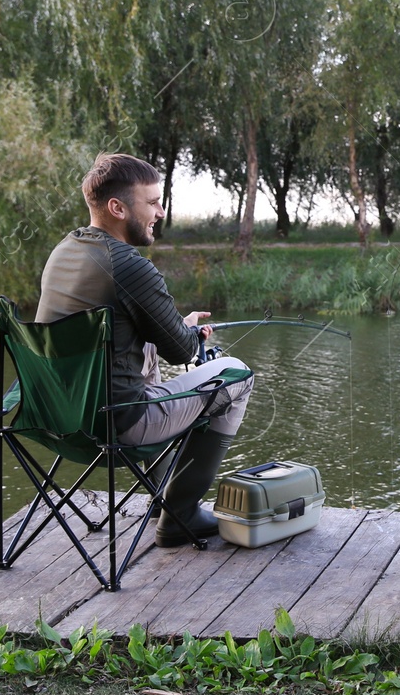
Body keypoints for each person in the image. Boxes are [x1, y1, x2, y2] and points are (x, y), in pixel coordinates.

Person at [35, 152, 253, 547]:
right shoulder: (129, 265)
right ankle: (179, 513)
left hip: (56, 417)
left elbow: (143, 337)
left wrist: (170, 328)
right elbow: (181, 352)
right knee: (238, 375)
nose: (161, 211)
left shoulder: (64, 251)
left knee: (141, 343)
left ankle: (162, 494)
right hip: (117, 426)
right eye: (152, 202)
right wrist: (189, 332)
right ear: (118, 208)